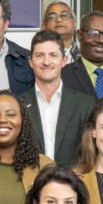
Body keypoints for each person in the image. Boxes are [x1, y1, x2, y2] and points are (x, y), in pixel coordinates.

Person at [20, 29, 94, 164]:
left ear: (64, 60)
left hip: (72, 182)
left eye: (53, 55)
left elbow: (90, 154)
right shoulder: (18, 104)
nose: (46, 62)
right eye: (39, 55)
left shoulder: (85, 104)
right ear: (31, 62)